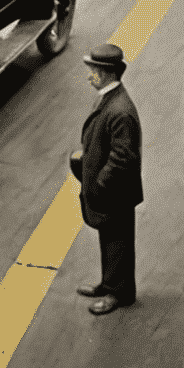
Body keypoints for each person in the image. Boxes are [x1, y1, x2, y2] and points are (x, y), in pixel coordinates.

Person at [70, 42, 142, 316]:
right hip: (110, 191)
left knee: (118, 240)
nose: (90, 75)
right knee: (109, 239)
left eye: (93, 70)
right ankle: (109, 282)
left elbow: (123, 157)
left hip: (115, 193)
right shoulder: (109, 98)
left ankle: (118, 293)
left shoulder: (120, 111)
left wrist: (100, 184)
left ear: (107, 73)